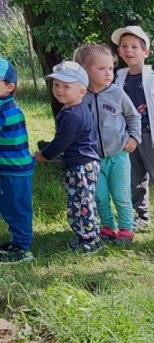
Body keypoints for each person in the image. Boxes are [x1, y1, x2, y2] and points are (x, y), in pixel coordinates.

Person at [112, 24, 154, 233]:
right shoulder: (118, 79)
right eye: (124, 46)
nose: (129, 51)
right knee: (135, 177)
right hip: (129, 137)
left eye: (134, 47)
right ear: (119, 51)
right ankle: (142, 216)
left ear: (146, 52)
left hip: (152, 135)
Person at [75, 43, 140, 247]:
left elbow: (133, 116)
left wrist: (133, 138)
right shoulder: (80, 96)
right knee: (100, 196)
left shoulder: (117, 94)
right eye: (101, 68)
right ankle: (108, 227)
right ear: (85, 70)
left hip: (118, 156)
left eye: (111, 68)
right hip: (92, 159)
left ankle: (126, 229)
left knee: (121, 195)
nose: (108, 73)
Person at [34, 60, 102, 254]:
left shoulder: (73, 115)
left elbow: (61, 142)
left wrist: (44, 155)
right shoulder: (73, 109)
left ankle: (90, 240)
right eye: (56, 85)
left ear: (82, 91)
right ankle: (86, 235)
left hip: (82, 166)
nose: (59, 90)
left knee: (81, 203)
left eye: (66, 86)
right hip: (81, 164)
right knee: (80, 201)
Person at [0, 58, 37, 264]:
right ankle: (18, 242)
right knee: (9, 205)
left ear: (9, 87)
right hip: (10, 168)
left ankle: (23, 248)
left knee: (16, 207)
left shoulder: (4, 109)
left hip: (14, 170)